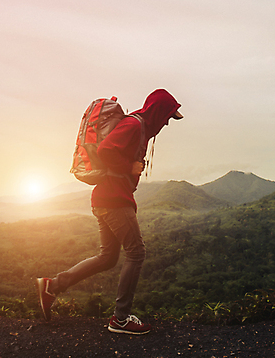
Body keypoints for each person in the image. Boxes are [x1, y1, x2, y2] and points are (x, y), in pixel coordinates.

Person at [36, 89, 183, 335]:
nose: (167, 122)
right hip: (114, 200)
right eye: (168, 116)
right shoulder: (134, 125)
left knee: (108, 258)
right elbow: (105, 150)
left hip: (106, 199)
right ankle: (121, 319)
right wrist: (130, 167)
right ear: (158, 111)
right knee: (136, 253)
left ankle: (53, 286)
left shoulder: (140, 128)